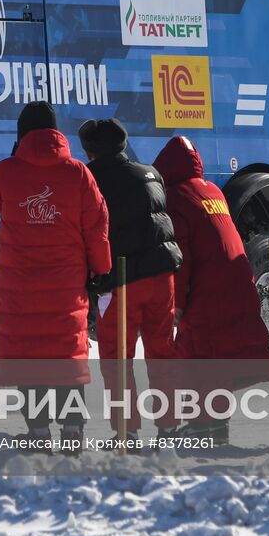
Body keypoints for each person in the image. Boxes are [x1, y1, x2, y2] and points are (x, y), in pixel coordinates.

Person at [0, 101, 111, 448]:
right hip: (67, 290)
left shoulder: (6, 171)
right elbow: (97, 227)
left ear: (22, 134)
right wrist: (102, 269)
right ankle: (72, 430)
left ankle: (37, 431)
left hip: (19, 292)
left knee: (28, 358)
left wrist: (14, 160)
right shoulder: (79, 173)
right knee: (68, 358)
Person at [152, 136, 269, 445]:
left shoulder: (176, 198)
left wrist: (175, 304)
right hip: (234, 284)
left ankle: (200, 427)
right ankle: (215, 427)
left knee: (196, 362)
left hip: (207, 294)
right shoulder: (213, 191)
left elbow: (181, 256)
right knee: (216, 364)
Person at [78, 118, 183, 441]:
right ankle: (168, 427)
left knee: (117, 359)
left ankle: (127, 432)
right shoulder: (150, 173)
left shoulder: (92, 179)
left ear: (93, 150)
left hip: (124, 277)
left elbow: (93, 232)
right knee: (162, 351)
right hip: (162, 276)